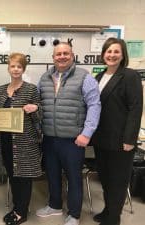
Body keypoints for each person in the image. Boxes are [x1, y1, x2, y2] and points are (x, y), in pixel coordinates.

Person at [36, 42, 101, 225]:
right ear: (53, 58)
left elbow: (94, 105)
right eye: (58, 54)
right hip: (49, 138)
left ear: (72, 56)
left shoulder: (84, 77)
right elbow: (39, 103)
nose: (62, 56)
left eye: (66, 53)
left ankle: (74, 214)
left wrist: (87, 133)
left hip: (74, 140)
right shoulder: (45, 78)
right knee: (52, 174)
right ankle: (55, 205)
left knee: (73, 177)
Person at [91, 38, 143, 225]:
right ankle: (108, 210)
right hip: (101, 139)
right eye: (108, 51)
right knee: (105, 178)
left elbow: (135, 109)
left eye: (116, 52)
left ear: (123, 55)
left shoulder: (129, 76)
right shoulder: (99, 76)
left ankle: (114, 218)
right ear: (103, 54)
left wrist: (130, 138)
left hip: (121, 140)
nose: (111, 55)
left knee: (118, 181)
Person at [0, 53, 42, 225]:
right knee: (12, 174)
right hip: (5, 142)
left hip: (25, 142)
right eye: (13, 66)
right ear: (8, 68)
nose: (16, 69)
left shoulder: (31, 89)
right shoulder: (0, 90)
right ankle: (18, 207)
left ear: (23, 69)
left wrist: (35, 109)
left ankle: (21, 212)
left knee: (24, 177)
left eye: (19, 66)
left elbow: (40, 117)